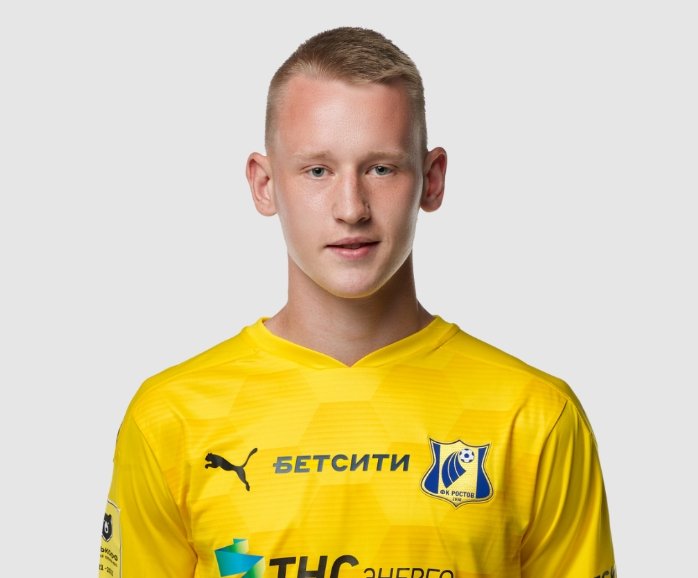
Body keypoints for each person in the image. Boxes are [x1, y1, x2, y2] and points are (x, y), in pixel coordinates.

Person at [98, 27, 615, 578]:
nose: (351, 208)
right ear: (265, 185)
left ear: (432, 180)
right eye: (318, 170)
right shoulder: (170, 417)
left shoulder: (534, 416)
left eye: (381, 168)